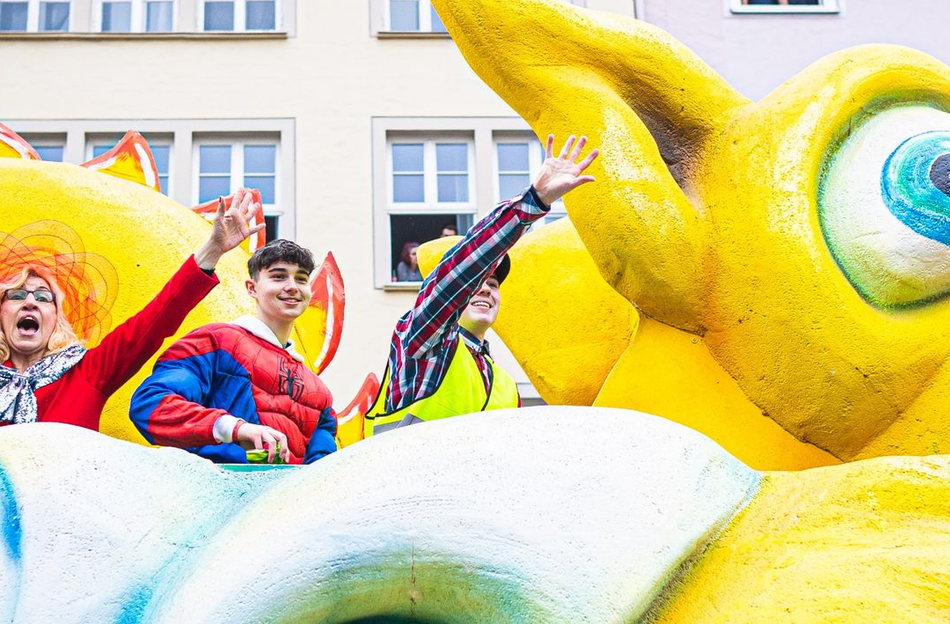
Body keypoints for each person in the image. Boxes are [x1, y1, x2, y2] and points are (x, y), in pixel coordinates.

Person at [364, 132, 597, 434]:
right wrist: (533, 201)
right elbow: (458, 273)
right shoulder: (426, 342)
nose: (486, 288)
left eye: (495, 284)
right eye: (479, 281)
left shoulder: (506, 387)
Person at [0, 192, 260, 430]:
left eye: (44, 298)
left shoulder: (86, 372)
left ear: (56, 319)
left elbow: (154, 320)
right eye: (18, 295)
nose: (30, 302)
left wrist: (212, 251)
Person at [130, 238, 336, 464]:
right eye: (278, 276)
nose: (292, 286)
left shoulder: (320, 394)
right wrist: (234, 429)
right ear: (252, 288)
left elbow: (323, 472)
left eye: (301, 278)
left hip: (287, 498)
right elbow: (150, 404)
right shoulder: (214, 343)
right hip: (211, 493)